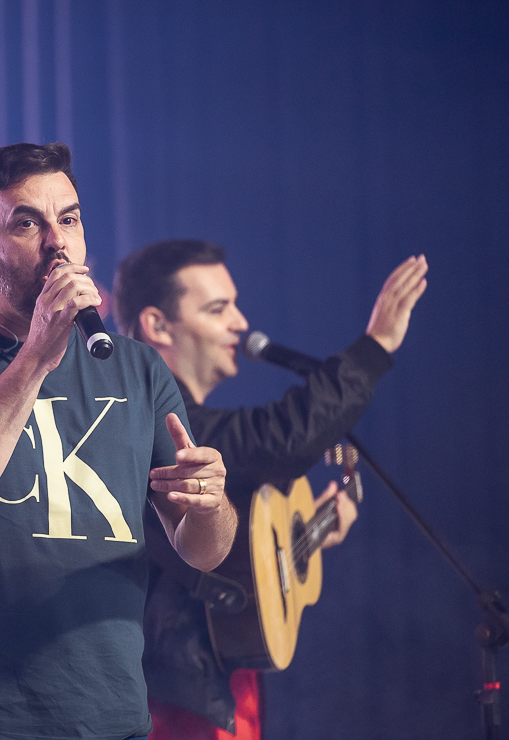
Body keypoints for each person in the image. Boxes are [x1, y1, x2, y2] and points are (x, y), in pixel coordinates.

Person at [0, 144, 238, 740]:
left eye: (69, 219)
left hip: (108, 717)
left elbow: (205, 551)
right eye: (27, 223)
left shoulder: (139, 369)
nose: (57, 243)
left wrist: (210, 505)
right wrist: (38, 353)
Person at [112, 240, 428, 740]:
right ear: (157, 325)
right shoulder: (155, 421)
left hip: (211, 684)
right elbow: (278, 438)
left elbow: (233, 540)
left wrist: (306, 537)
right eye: (218, 308)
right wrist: (376, 345)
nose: (241, 323)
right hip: (167, 699)